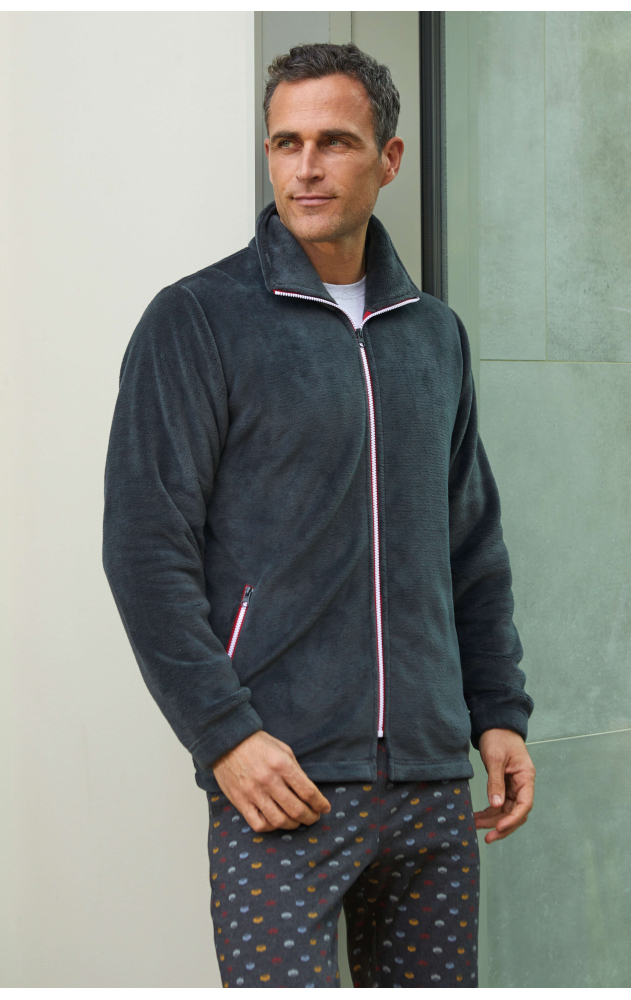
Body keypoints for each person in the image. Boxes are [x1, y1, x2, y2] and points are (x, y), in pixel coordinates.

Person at [103, 42, 535, 989]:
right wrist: (224, 735)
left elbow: (470, 545)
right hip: (280, 779)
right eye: (285, 143)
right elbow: (144, 550)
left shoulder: (434, 335)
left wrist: (497, 712)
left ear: (389, 158)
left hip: (430, 779)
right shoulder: (197, 320)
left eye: (334, 141)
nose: (305, 167)